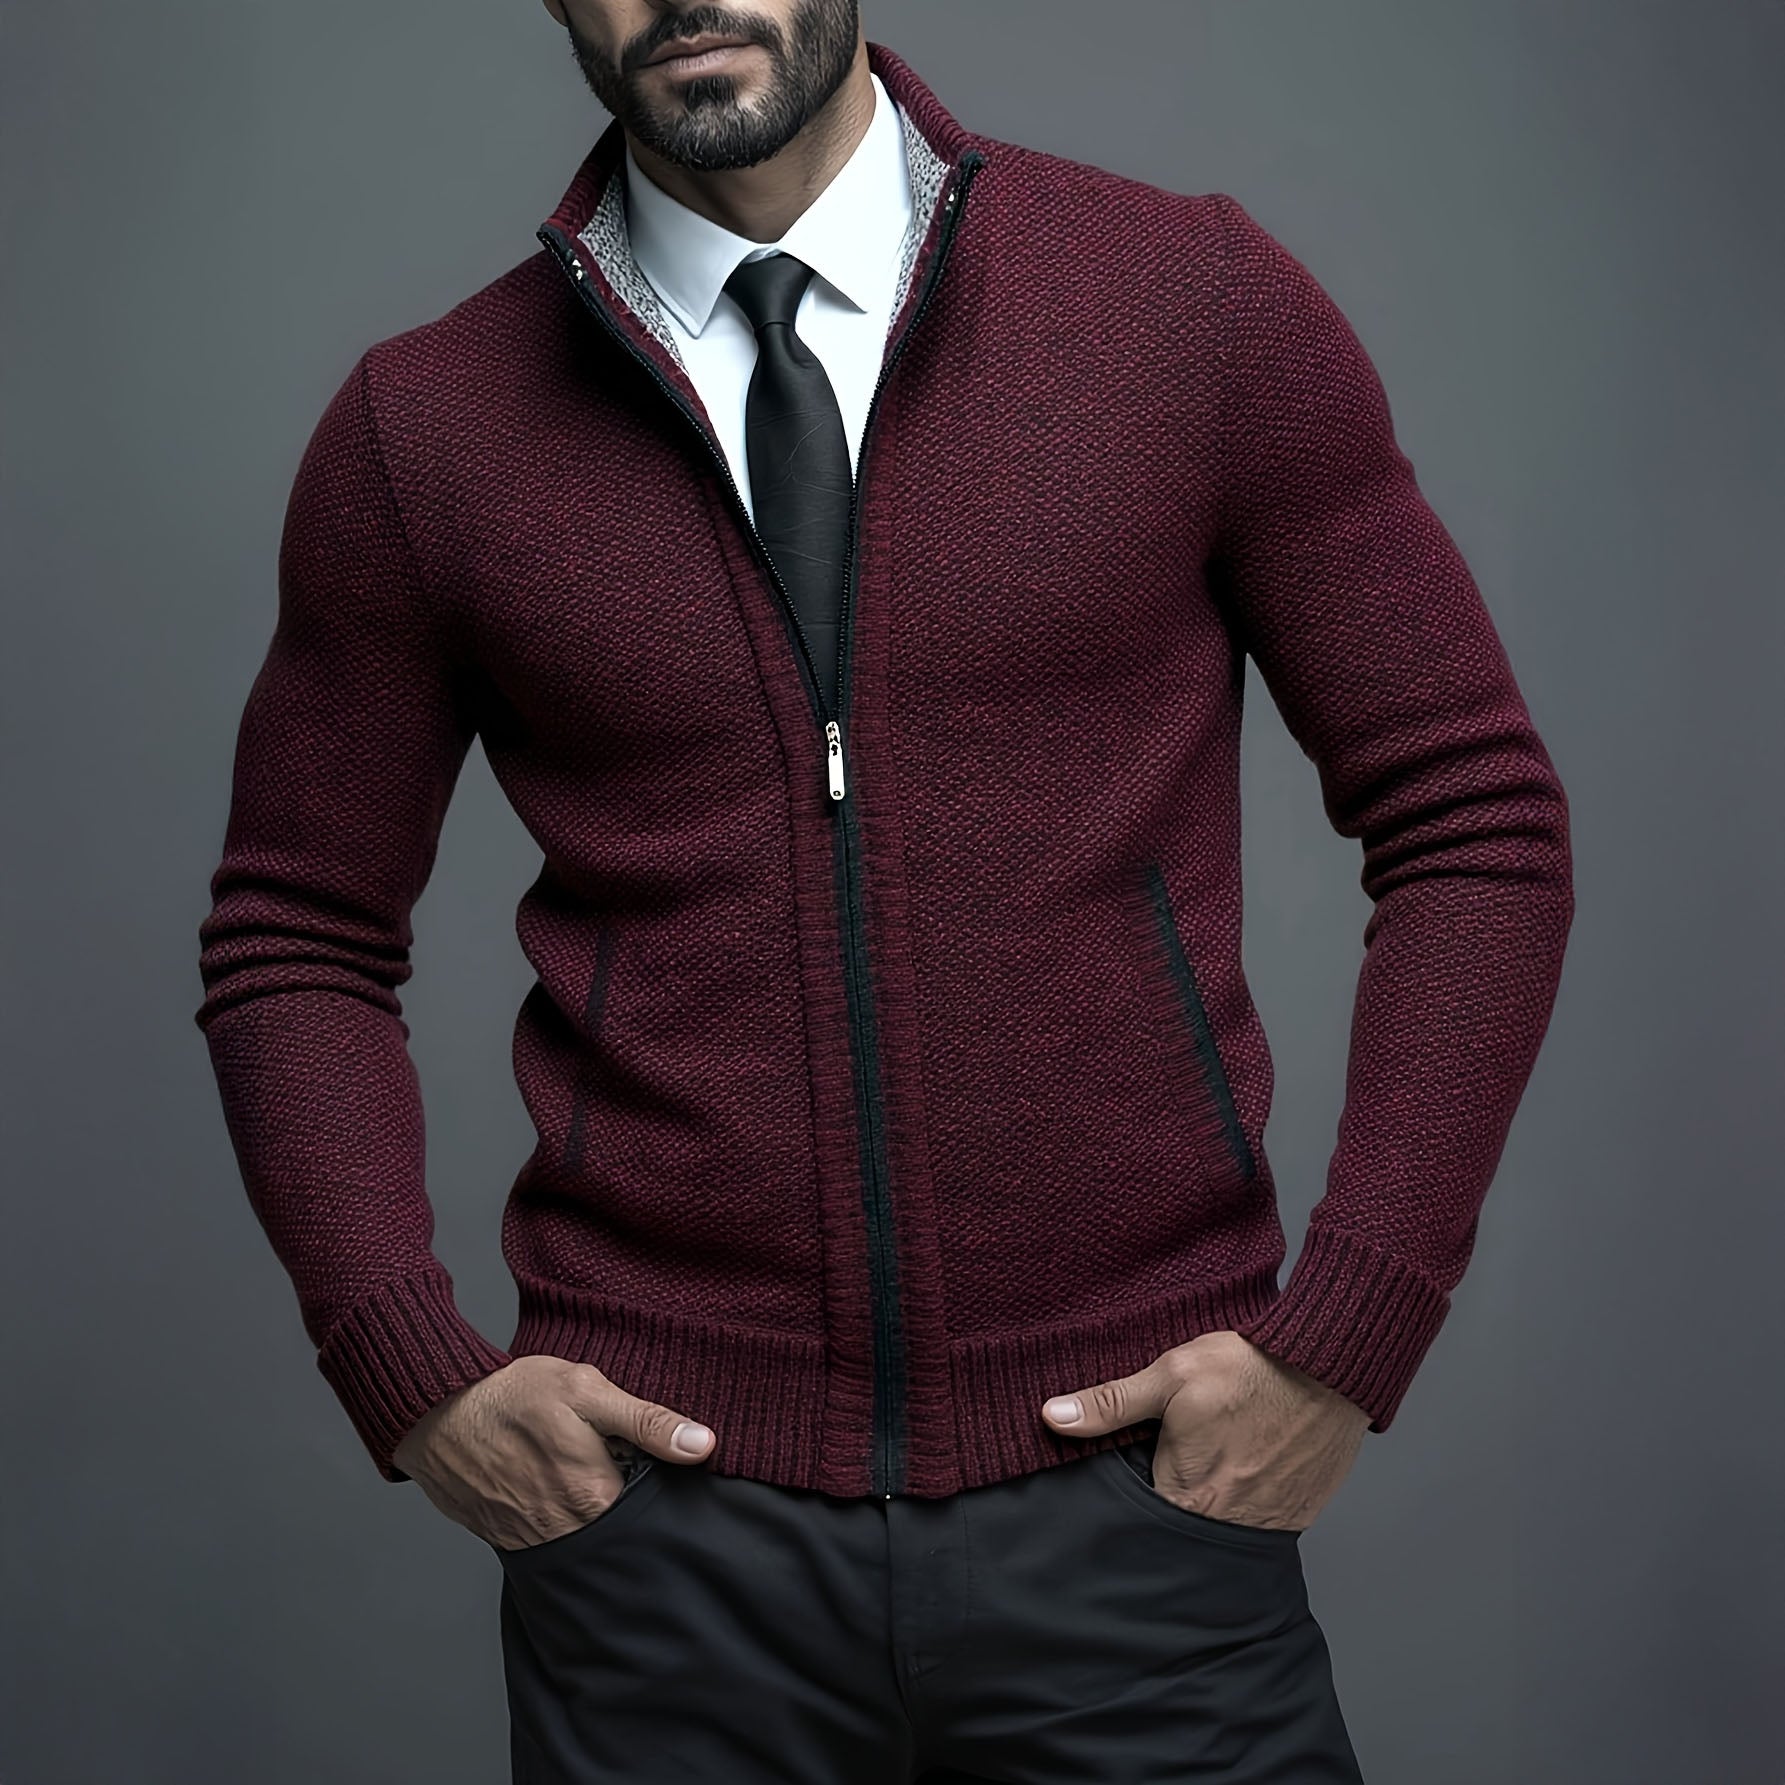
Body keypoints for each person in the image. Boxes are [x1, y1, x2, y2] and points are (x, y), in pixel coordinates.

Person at [193, 3, 1575, 1779]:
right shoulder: (427, 427)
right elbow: (294, 933)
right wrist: (411, 1372)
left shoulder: (1188, 305)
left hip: (1139, 1511)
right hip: (664, 1552)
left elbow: (1469, 812)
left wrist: (1346, 1339)